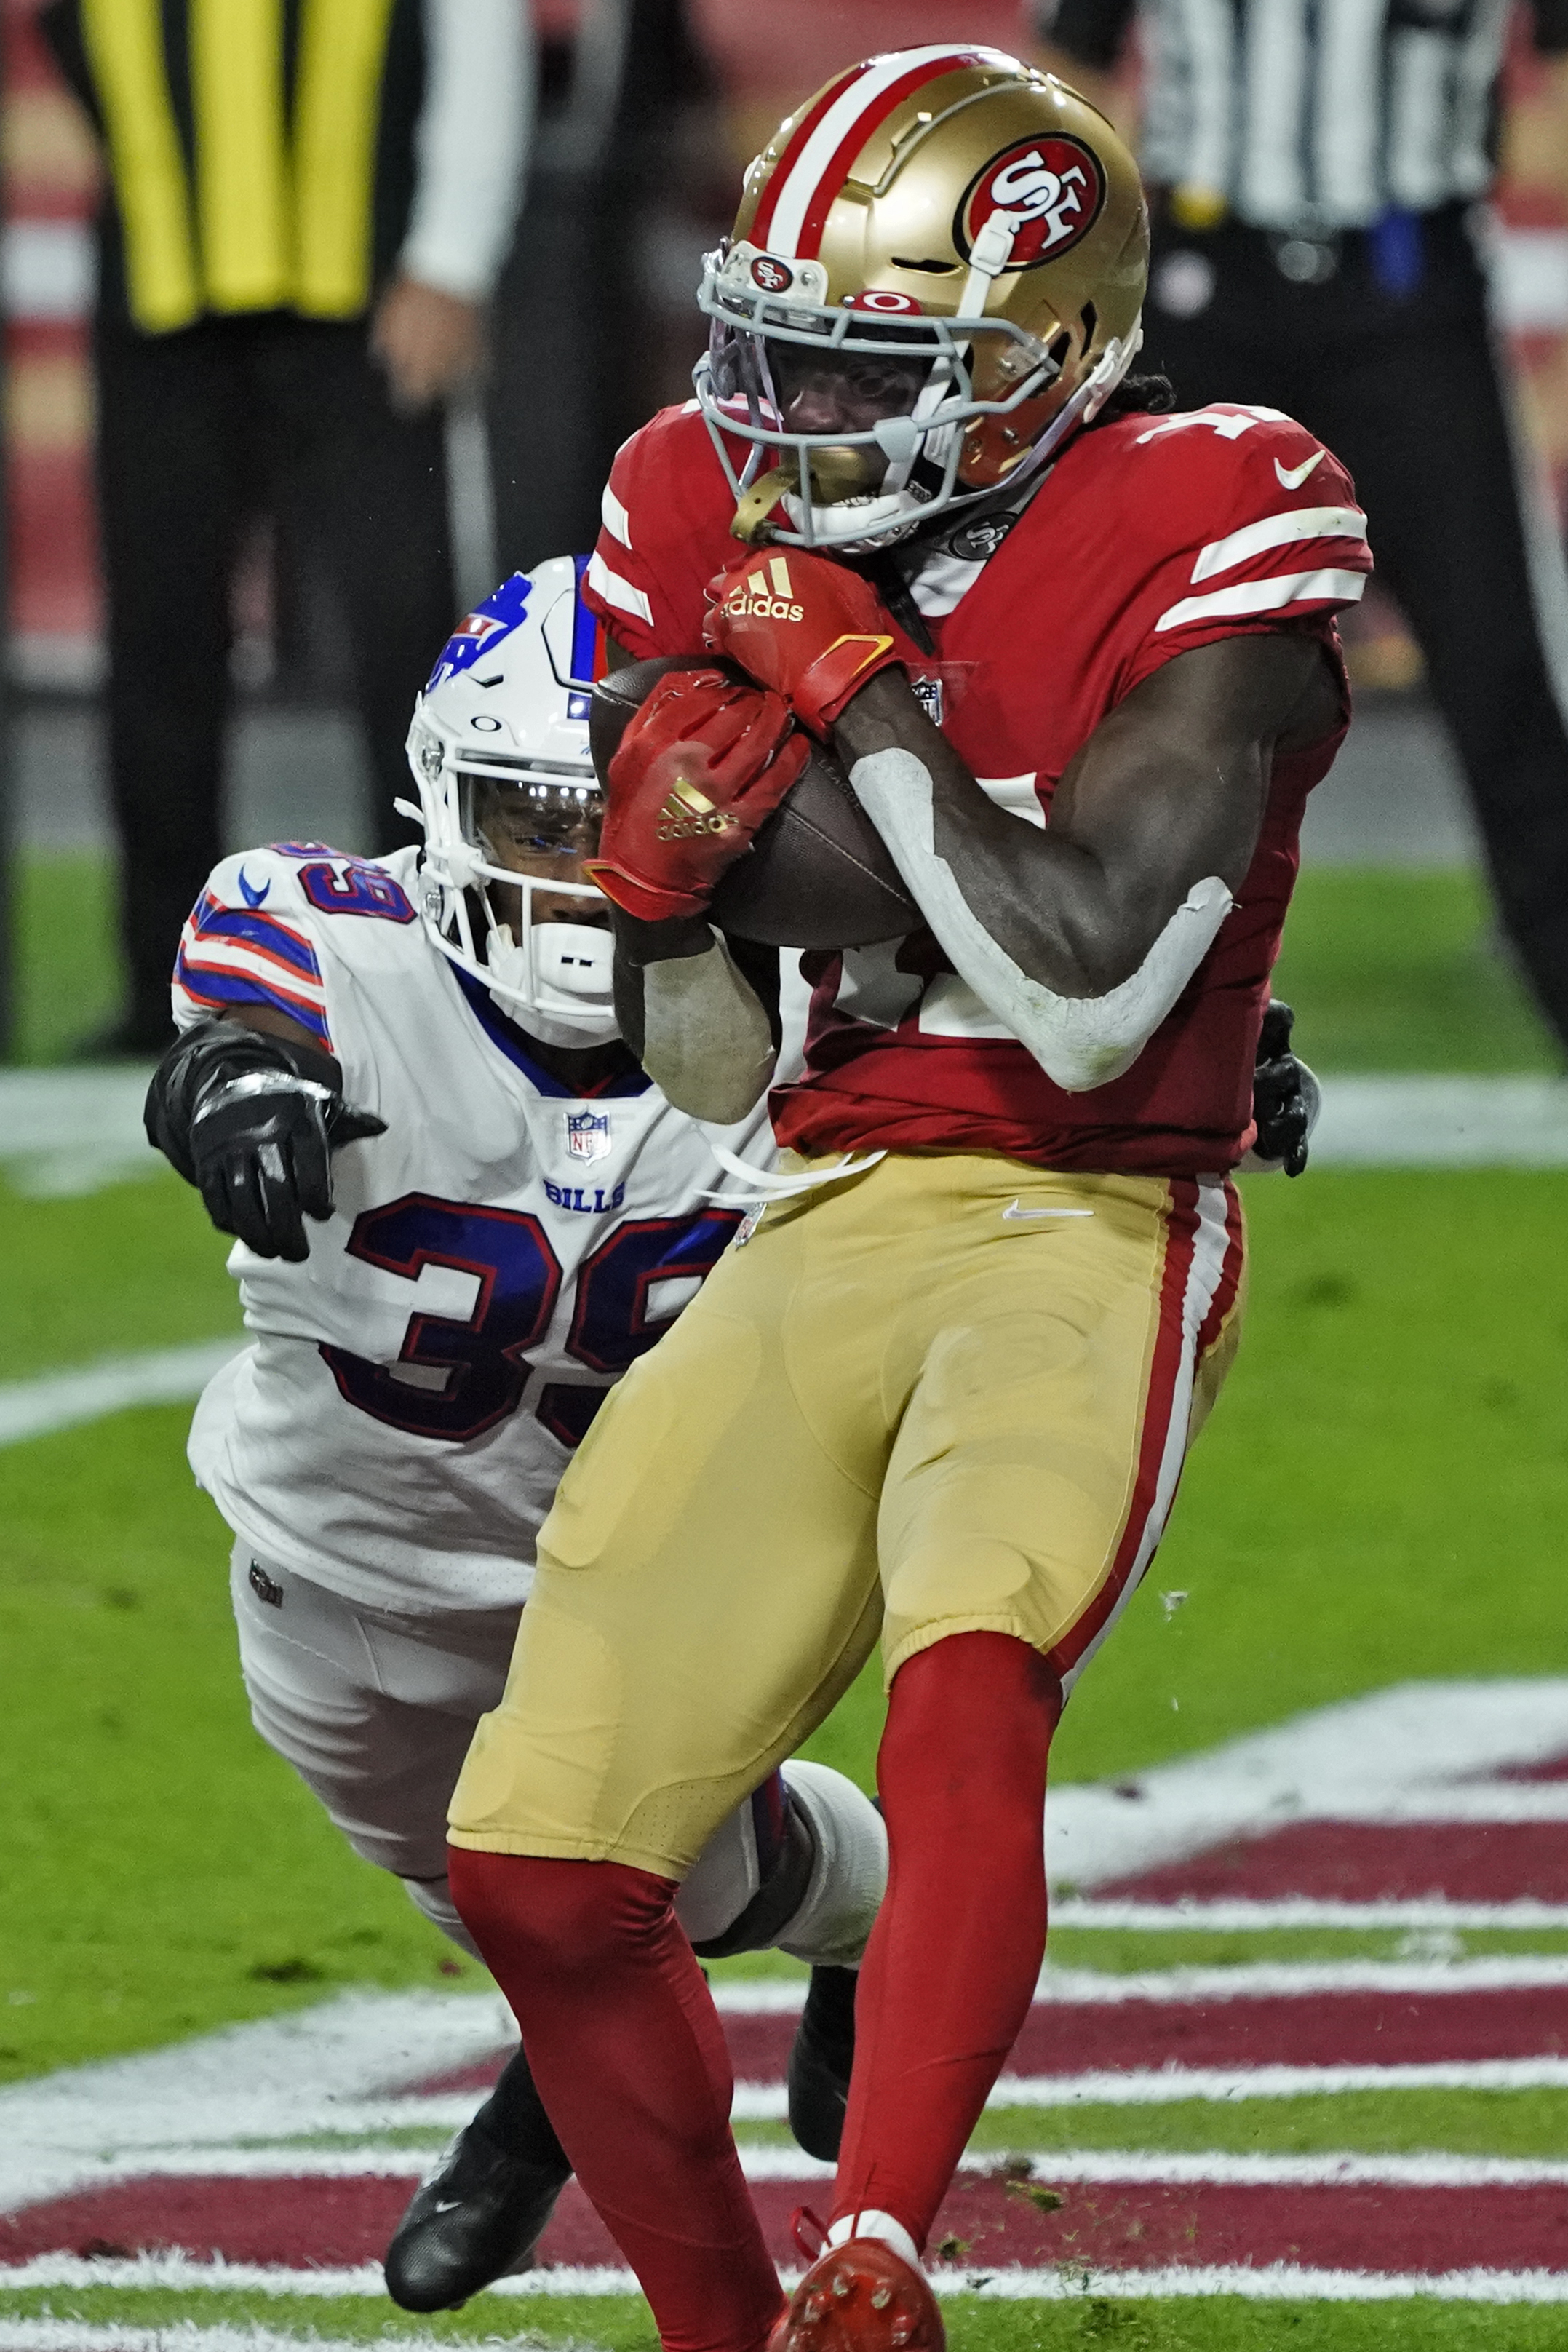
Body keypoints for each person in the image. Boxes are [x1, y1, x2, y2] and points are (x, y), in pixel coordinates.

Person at [437, 47, 1366, 2352]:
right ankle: (726, 2324)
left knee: (970, 1665)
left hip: (1099, 1207)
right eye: (763, 349)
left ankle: (880, 2254)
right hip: (830, 1183)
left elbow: (1070, 998)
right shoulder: (684, 491)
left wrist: (855, 703)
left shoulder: (1209, 507)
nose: (774, 424)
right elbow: (724, 1053)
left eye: (853, 369)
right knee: (539, 1868)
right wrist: (668, 908)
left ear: (1045, 357)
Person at [142, 557, 890, 2311]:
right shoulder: (331, 925)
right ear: (435, 795)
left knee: (606, 1902)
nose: (580, 875)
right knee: (625, 1905)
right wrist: (234, 1091)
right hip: (343, 1576)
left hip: (651, 1577)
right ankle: (837, 1922)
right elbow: (232, 1027)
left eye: (629, 821)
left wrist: (1220, 1066)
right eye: (534, 820)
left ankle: (595, 2161)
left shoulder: (817, 990)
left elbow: (1015, 1048)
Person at [1033, 0, 1568, 1058]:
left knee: (1498, 676)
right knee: (1105, 656)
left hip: (1408, 290)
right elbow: (1066, 66)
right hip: (1204, 280)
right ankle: (1054, 974)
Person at [40, 0, 534, 1057]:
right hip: (160, 293)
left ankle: (448, 972)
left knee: (412, 648)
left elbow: (478, 27)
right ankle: (161, 992)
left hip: (365, 292)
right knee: (159, 646)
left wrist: (453, 254)